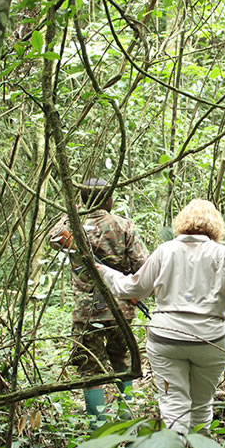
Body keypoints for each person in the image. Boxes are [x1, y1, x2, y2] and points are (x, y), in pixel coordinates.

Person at [96, 199, 225, 434]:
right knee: (202, 406)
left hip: (167, 339)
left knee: (173, 405)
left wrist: (103, 271)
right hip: (209, 341)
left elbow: (131, 288)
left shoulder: (166, 250)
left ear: (182, 222)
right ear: (216, 225)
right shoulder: (220, 254)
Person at [50, 179, 149, 424]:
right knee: (123, 361)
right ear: (109, 199)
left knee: (90, 368)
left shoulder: (72, 225)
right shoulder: (123, 225)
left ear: (83, 200)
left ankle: (97, 425)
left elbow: (53, 237)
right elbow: (142, 265)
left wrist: (70, 214)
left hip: (86, 311)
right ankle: (126, 419)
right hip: (120, 307)